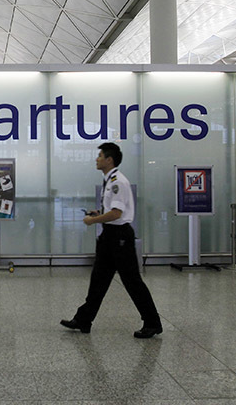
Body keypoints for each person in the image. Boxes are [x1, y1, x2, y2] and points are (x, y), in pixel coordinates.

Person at [60, 142, 163, 339]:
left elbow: (117, 214)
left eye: (100, 156)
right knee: (98, 279)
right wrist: (99, 214)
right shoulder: (109, 180)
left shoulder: (117, 182)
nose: (96, 159)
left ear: (109, 160)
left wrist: (92, 220)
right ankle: (83, 319)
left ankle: (152, 323)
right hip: (109, 236)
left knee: (132, 281)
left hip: (119, 237)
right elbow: (111, 211)